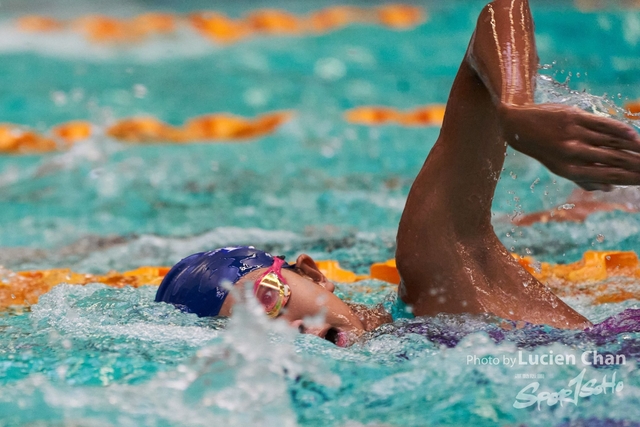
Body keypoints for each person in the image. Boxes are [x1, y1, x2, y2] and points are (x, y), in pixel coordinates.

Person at [155, 0, 640, 346]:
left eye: (270, 301)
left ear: (313, 273)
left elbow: (502, 12)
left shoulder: (440, 277)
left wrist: (515, 107)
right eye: (252, 334)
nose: (284, 331)